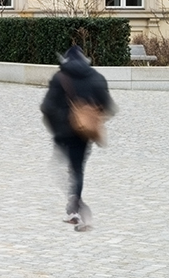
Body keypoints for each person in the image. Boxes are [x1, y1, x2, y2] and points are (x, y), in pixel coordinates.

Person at [40, 43, 115, 231]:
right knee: (77, 169)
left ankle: (75, 207)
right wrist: (93, 116)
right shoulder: (96, 77)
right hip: (84, 134)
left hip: (63, 135)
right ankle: (75, 204)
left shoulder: (60, 78)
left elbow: (47, 107)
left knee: (60, 168)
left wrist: (57, 127)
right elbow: (109, 107)